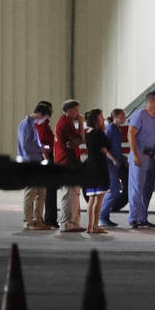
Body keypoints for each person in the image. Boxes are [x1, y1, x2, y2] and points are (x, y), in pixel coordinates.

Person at [127, 92, 155, 228]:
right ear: (151, 101)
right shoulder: (139, 115)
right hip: (140, 156)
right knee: (137, 187)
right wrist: (135, 155)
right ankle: (133, 218)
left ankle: (143, 217)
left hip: (152, 156)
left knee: (147, 189)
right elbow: (131, 133)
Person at [18, 103, 54, 231]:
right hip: (30, 163)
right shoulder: (26, 125)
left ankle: (37, 220)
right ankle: (27, 221)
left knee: (41, 192)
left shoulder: (33, 125)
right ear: (40, 114)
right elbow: (26, 145)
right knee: (31, 193)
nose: (43, 121)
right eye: (44, 118)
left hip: (37, 162)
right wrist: (42, 148)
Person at [54, 99, 86, 233]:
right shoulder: (65, 123)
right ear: (70, 110)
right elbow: (79, 139)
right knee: (69, 194)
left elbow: (77, 141)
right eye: (76, 110)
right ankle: (67, 223)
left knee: (74, 193)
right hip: (67, 162)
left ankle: (73, 222)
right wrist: (80, 124)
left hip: (70, 161)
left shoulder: (67, 122)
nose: (78, 113)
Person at [84, 109, 117, 234]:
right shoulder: (99, 133)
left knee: (92, 198)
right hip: (99, 167)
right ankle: (95, 226)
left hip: (90, 166)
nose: (103, 120)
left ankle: (89, 226)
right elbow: (107, 146)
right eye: (101, 118)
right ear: (97, 120)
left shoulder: (88, 133)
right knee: (99, 198)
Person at [100, 109, 126, 227]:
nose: (124, 118)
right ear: (115, 116)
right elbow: (104, 147)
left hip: (115, 164)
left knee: (114, 189)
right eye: (122, 116)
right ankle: (102, 216)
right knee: (113, 190)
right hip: (110, 164)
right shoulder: (110, 129)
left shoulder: (117, 129)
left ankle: (105, 216)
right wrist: (113, 159)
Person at [36, 100, 59, 228]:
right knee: (50, 191)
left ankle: (44, 219)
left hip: (44, 158)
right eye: (50, 110)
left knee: (45, 192)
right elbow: (43, 144)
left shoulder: (41, 125)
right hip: (46, 158)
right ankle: (50, 219)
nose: (52, 112)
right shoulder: (43, 126)